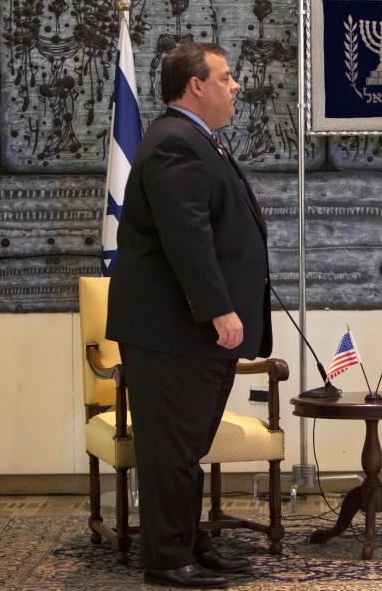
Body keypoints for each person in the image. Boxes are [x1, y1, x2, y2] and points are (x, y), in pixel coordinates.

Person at [106, 42, 272, 589]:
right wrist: (220, 308)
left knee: (188, 448)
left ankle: (187, 542)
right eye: (226, 77)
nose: (236, 86)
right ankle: (166, 560)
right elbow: (188, 238)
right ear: (195, 85)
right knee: (172, 449)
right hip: (175, 330)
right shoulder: (175, 143)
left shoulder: (198, 141)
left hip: (191, 334)